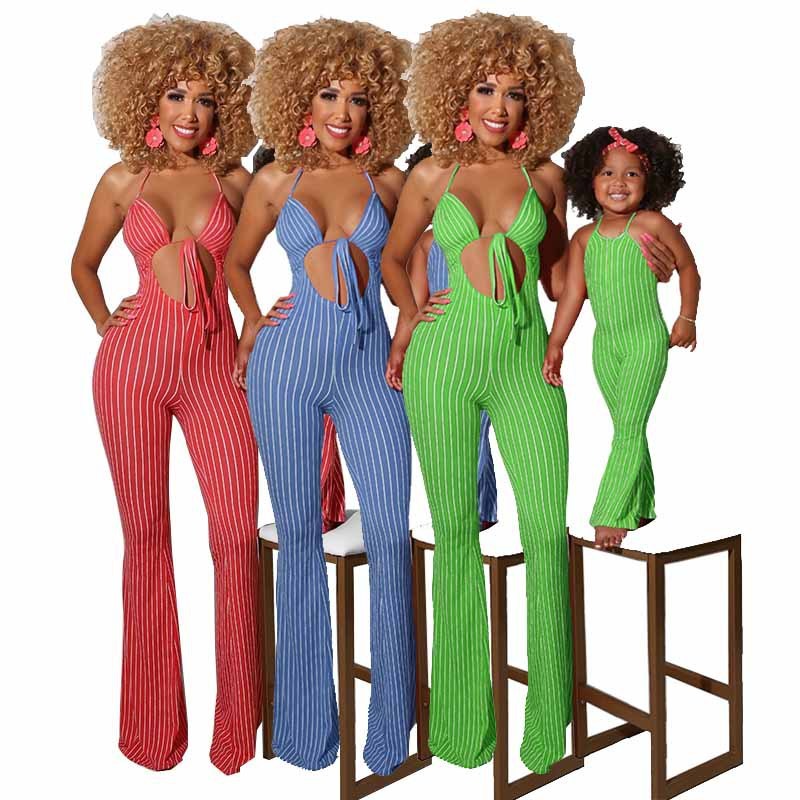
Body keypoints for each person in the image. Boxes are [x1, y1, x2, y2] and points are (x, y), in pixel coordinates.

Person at [380, 12, 582, 774]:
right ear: (455, 95)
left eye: (517, 92)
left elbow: (558, 278)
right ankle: (464, 727)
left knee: (547, 531)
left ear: (540, 102)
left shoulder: (546, 178)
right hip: (443, 366)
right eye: (485, 88)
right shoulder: (432, 174)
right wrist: (411, 316)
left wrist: (618, 247)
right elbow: (394, 258)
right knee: (456, 535)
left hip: (528, 365)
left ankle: (547, 725)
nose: (501, 105)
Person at [224, 19, 415, 775]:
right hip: (288, 368)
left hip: (371, 368)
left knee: (392, 535)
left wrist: (415, 321)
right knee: (299, 537)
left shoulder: (388, 182)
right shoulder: (275, 180)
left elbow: (412, 261)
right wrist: (253, 321)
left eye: (360, 98)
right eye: (329, 94)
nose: (344, 111)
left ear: (379, 108)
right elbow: (236, 264)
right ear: (300, 99)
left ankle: (390, 733)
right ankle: (306, 733)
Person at [72, 15, 260, 774]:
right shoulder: (124, 181)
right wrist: (103, 320)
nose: (191, 113)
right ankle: (153, 731)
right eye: (177, 95)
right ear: (147, 99)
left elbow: (277, 246)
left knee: (235, 536)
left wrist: (261, 322)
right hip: (132, 371)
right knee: (147, 538)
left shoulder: (235, 182)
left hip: (217, 370)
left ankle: (236, 728)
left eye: (207, 99)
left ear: (225, 109)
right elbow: (82, 265)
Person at [543, 126, 700, 549]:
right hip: (604, 348)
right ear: (588, 181)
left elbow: (688, 268)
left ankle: (610, 513)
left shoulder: (652, 224)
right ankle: (641, 504)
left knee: (629, 426)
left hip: (645, 341)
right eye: (607, 173)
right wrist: (556, 343)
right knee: (628, 425)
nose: (618, 182)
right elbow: (572, 295)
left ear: (650, 181)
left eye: (632, 174)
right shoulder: (584, 238)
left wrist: (686, 318)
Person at [404, 144, 498, 529]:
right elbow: (413, 304)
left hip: (487, 343)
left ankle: (478, 513)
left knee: (476, 431)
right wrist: (405, 346)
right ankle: (465, 514)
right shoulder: (426, 244)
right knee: (451, 435)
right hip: (440, 347)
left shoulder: (491, 233)